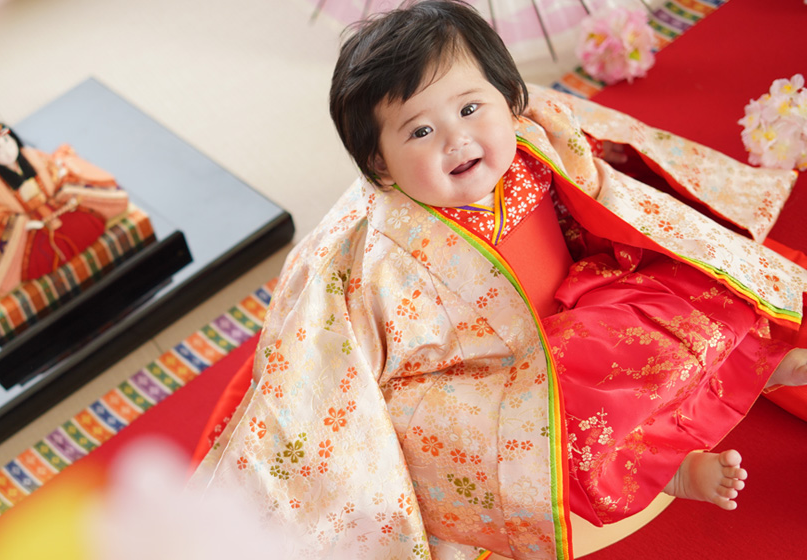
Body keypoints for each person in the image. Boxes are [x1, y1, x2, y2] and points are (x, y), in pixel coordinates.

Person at [190, 2, 807, 558]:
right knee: (549, 423)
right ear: (379, 164)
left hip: (570, 314)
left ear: (509, 97)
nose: (457, 138)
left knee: (686, 285)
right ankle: (665, 468)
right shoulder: (378, 257)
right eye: (421, 131)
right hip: (490, 383)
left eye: (469, 107)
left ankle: (750, 362)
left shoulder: (532, 141)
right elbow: (359, 371)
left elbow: (603, 203)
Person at [0, 123, 129, 297]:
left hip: (56, 211)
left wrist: (59, 194)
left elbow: (56, 173)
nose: (6, 150)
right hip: (27, 231)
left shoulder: (32, 156)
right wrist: (23, 223)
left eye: (7, 142)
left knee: (88, 224)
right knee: (28, 265)